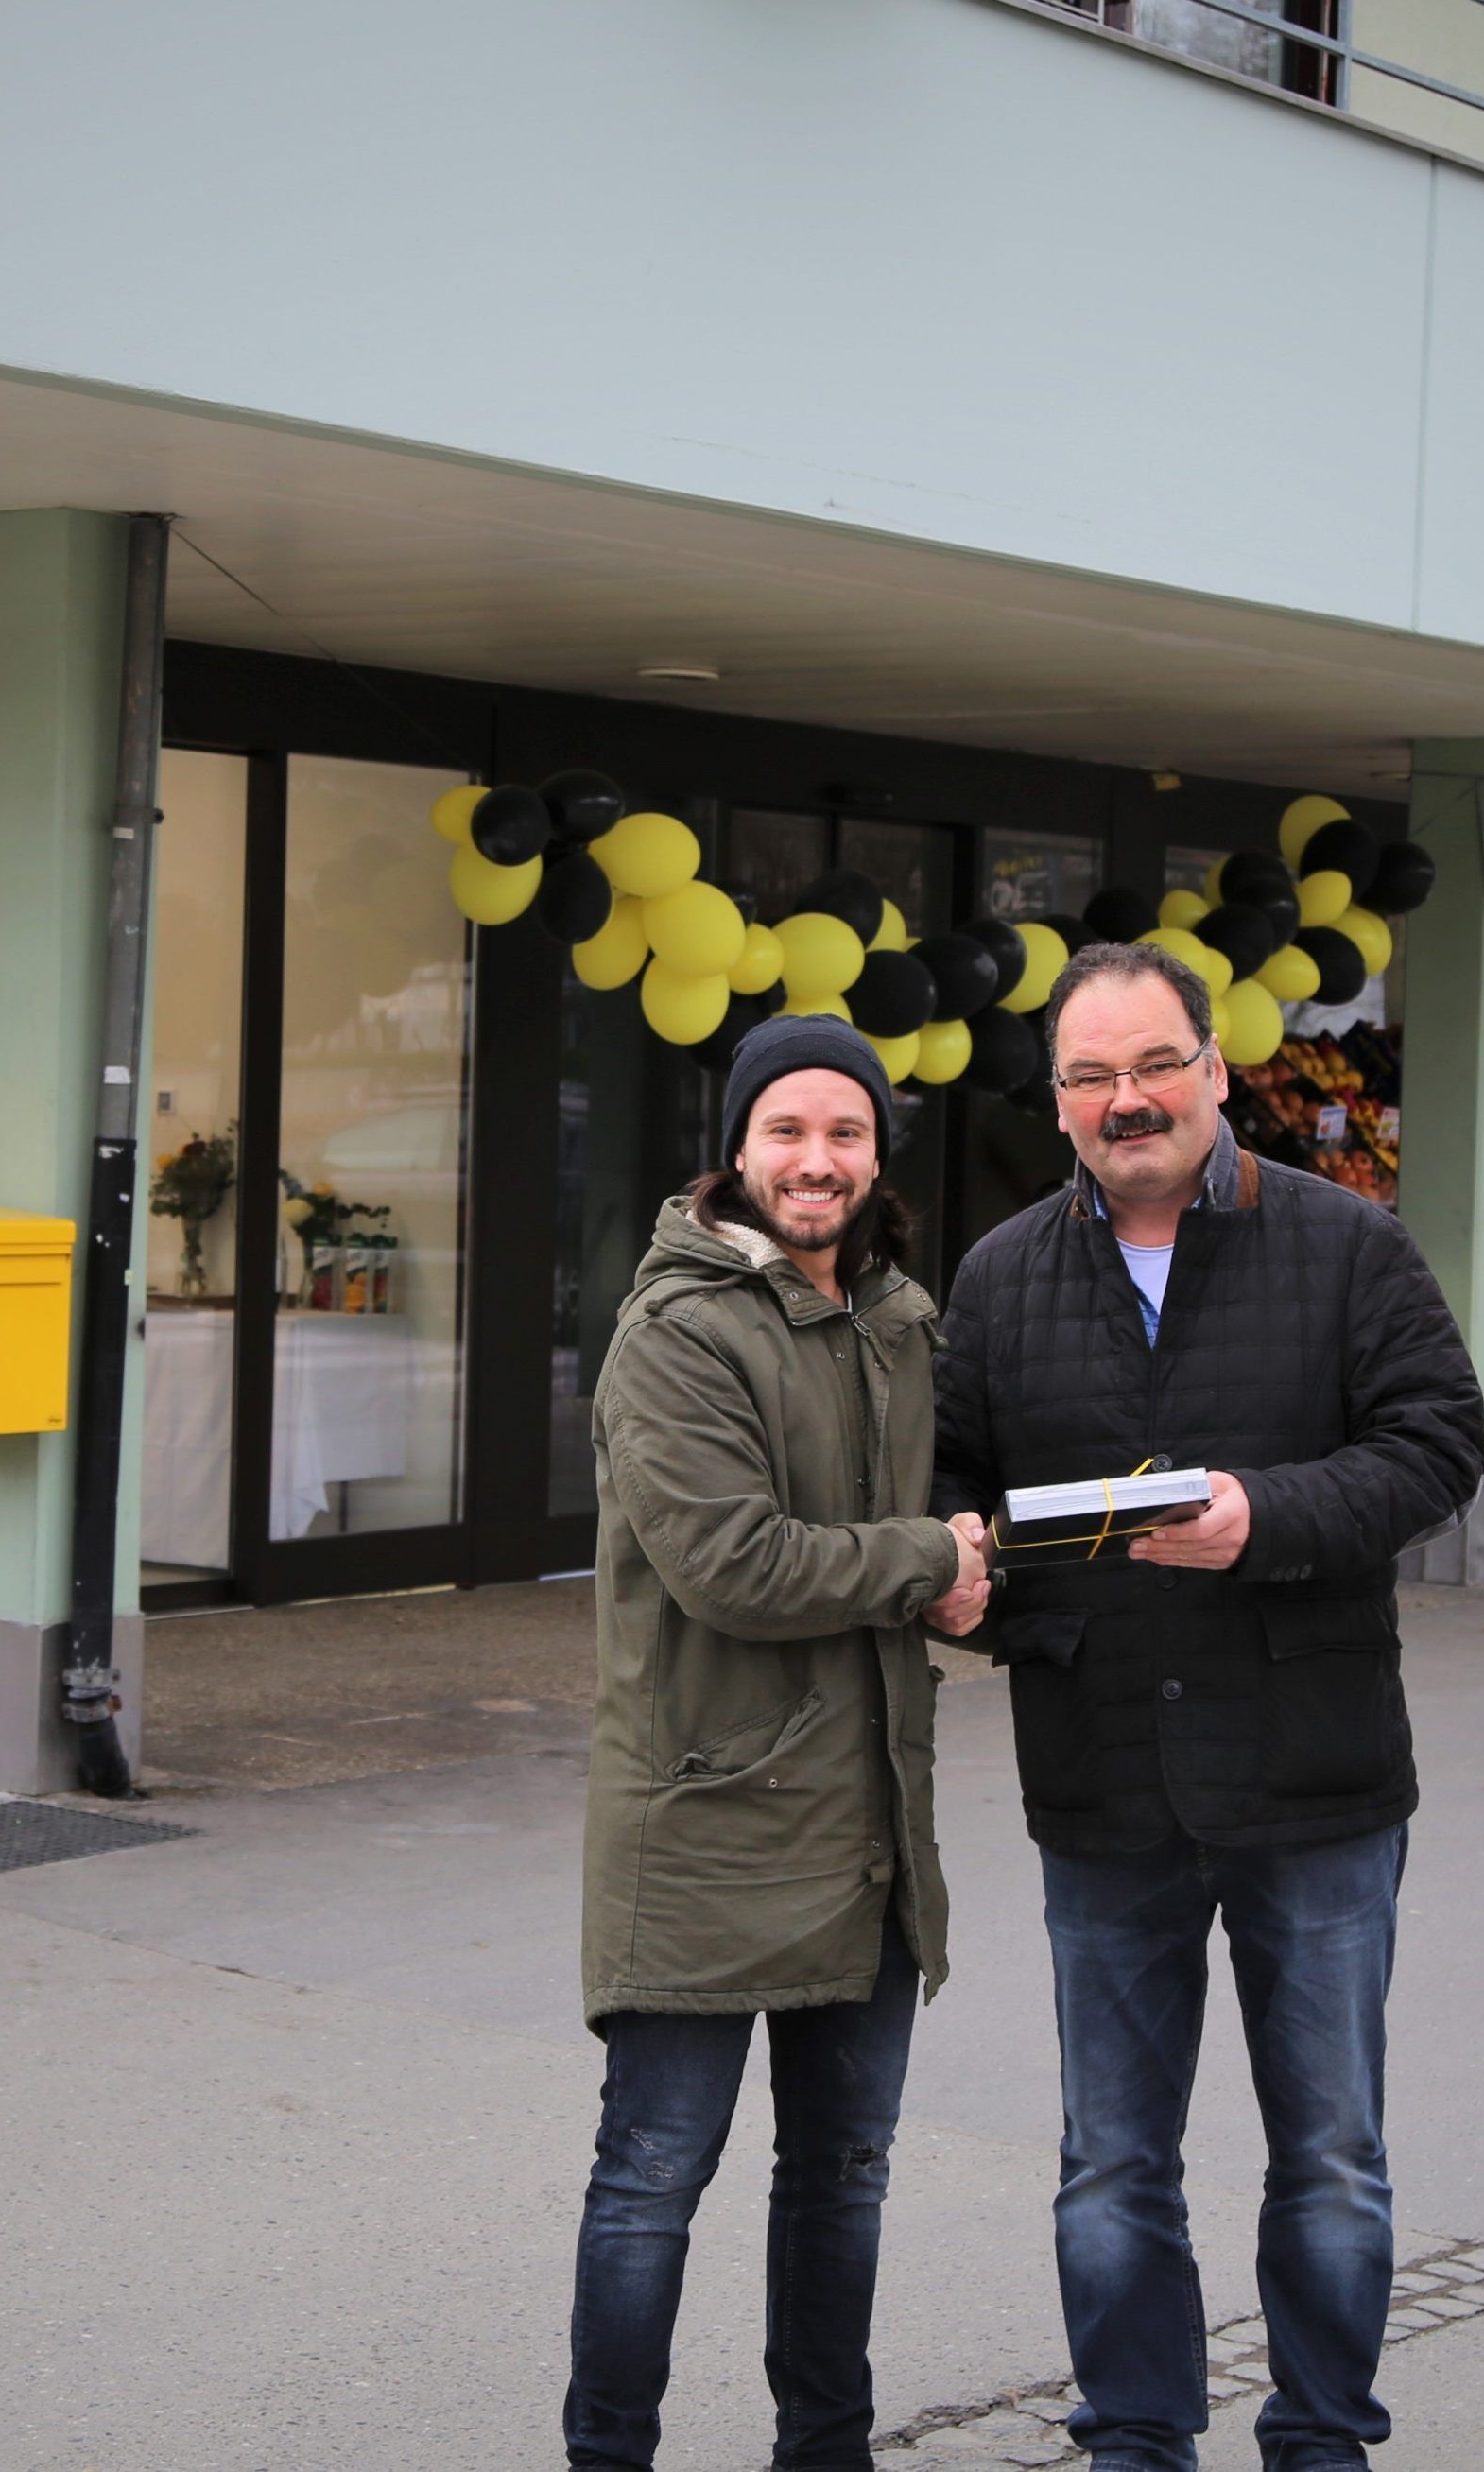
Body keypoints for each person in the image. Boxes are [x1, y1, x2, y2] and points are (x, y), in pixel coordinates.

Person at [934, 941, 1484, 2472]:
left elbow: (1441, 1443)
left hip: (1314, 1778)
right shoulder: (1000, 1276)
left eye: (1155, 1064)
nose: (1129, 1100)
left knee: (1329, 2155)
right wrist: (958, 1574)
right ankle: (1135, 2439)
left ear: (1216, 1071)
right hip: (1104, 1774)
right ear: (1056, 1104)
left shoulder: (1344, 1244)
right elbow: (948, 1484)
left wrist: (1270, 1515)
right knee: (1112, 2162)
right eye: (1093, 1076)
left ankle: (1319, 2438)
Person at [570, 1012, 993, 2472]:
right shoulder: (676, 1330)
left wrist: (974, 1569)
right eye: (789, 1130)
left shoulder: (896, 1320)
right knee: (650, 2178)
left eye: (846, 1132)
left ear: (880, 1155)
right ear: (737, 1146)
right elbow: (730, 1564)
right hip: (704, 1817)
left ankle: (828, 2451)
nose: (816, 1160)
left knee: (841, 2176)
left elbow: (941, 1535)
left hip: (863, 1820)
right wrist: (928, 1559)